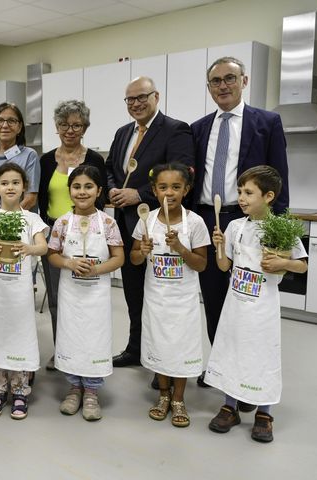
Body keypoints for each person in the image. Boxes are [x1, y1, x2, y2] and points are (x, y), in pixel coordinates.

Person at [191, 57, 289, 388]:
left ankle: (247, 374)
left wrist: (275, 232)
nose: (222, 86)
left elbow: (279, 180)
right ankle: (219, 369)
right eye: (215, 81)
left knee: (249, 305)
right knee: (215, 299)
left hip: (250, 221)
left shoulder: (267, 122)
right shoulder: (199, 127)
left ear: (244, 81)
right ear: (209, 87)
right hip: (210, 221)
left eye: (229, 78)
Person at [206, 166, 307, 443]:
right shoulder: (236, 226)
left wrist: (284, 262)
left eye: (248, 192)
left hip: (262, 309)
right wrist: (219, 245)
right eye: (239, 191)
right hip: (235, 306)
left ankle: (264, 411)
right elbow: (224, 265)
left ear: (269, 196)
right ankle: (230, 406)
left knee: (262, 355)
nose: (241, 197)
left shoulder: (282, 228)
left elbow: (301, 266)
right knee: (232, 350)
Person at [105, 76, 194, 371]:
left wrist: (139, 194)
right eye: (130, 99)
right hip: (127, 227)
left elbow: (180, 174)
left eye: (142, 97)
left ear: (156, 96)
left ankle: (163, 360)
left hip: (160, 225)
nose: (136, 104)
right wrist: (112, 190)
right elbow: (109, 171)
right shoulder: (122, 133)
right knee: (133, 292)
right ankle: (136, 348)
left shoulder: (175, 130)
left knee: (161, 297)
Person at [130, 163, 209, 428]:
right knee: (159, 345)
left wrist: (180, 248)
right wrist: (142, 250)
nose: (169, 193)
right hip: (155, 300)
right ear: (154, 190)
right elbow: (135, 259)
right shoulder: (146, 220)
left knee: (181, 347)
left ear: (186, 190)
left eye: (176, 187)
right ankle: (163, 395)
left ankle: (178, 398)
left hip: (183, 301)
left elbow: (201, 264)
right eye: (163, 187)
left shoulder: (195, 222)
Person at [0, 163, 48, 420]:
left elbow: (43, 247)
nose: (10, 187)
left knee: (20, 335)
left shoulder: (32, 219)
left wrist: (28, 248)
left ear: (24, 187)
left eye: (16, 182)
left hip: (20, 294)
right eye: (5, 183)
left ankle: (20, 392)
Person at [47, 165, 124, 421]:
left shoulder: (109, 223)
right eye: (77, 186)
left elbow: (119, 258)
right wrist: (69, 263)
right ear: (69, 191)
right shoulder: (62, 222)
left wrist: (97, 269)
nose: (82, 192)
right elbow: (52, 255)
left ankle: (91, 391)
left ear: (99, 190)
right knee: (71, 337)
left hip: (96, 296)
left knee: (94, 338)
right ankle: (74, 388)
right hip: (71, 295)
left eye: (88, 186)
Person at [38, 100, 108, 371]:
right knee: (56, 298)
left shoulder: (95, 160)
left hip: (88, 236)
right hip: (55, 238)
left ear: (85, 128)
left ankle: (88, 349)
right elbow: (42, 200)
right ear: (56, 127)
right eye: (64, 124)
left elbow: (99, 201)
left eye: (76, 125)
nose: (70, 130)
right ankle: (62, 350)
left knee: (85, 297)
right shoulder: (45, 161)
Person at [0, 102, 40, 216]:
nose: (5, 125)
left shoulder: (29, 155)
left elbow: (30, 199)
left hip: (20, 227)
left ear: (19, 127)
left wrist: (6, 223)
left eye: (11, 121)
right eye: (0, 120)